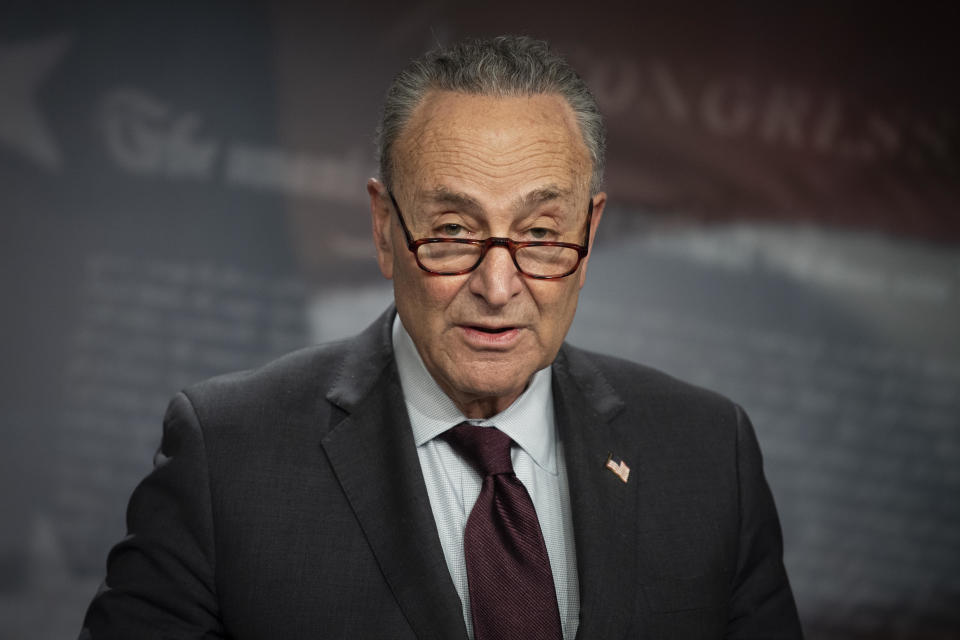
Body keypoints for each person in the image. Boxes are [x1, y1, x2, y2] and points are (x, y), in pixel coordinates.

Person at [80, 35, 802, 639]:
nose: (496, 285)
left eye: (542, 234)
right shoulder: (228, 456)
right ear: (385, 229)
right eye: (453, 231)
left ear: (590, 231)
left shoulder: (709, 454)